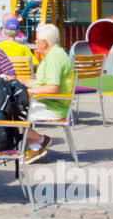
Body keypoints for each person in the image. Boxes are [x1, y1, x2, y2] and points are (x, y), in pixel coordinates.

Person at [20, 23, 76, 162]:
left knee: (11, 116)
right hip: (51, 103)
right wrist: (20, 81)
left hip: (54, 107)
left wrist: (28, 91)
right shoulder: (55, 54)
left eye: (37, 39)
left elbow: (52, 88)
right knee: (12, 112)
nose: (35, 41)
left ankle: (40, 140)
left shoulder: (54, 58)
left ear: (44, 42)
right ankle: (35, 146)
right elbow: (41, 83)